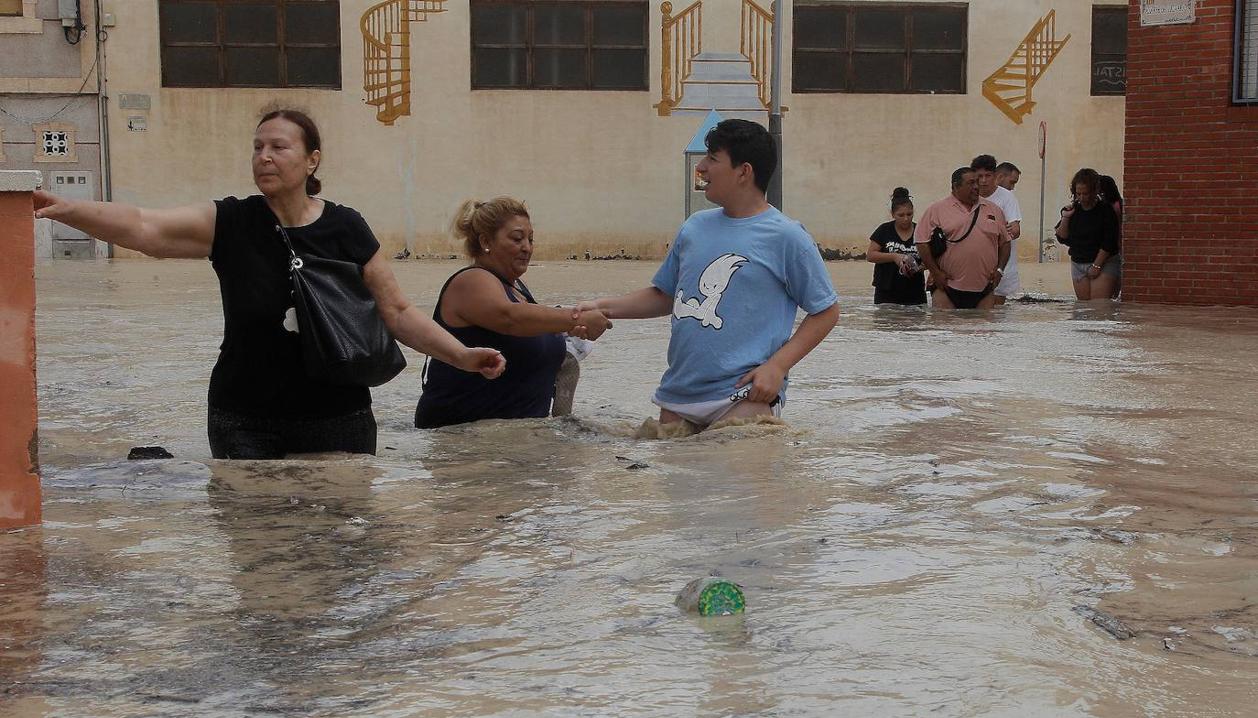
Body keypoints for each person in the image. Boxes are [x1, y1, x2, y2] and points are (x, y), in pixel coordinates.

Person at [31, 109, 505, 459]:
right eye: (257, 147)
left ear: (312, 160)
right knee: (257, 556)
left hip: (337, 416)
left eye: (278, 147)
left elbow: (397, 312)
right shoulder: (231, 221)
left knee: (345, 553)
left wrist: (460, 355)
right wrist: (67, 209)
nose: (264, 157)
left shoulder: (346, 228)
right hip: (245, 418)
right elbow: (143, 227)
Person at [575, 118, 839, 430]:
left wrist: (777, 366)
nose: (701, 167)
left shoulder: (787, 237)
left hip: (746, 393)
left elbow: (826, 311)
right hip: (679, 394)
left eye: (713, 159)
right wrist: (602, 307)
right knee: (680, 475)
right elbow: (665, 296)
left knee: (731, 473)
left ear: (744, 172)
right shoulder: (694, 227)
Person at [414, 197, 612, 428]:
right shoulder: (471, 281)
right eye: (517, 238)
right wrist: (574, 318)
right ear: (486, 241)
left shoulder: (518, 289)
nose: (527, 247)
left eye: (530, 239)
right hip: (462, 439)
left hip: (519, 440)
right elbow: (510, 318)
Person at [915, 167, 1011, 310]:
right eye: (971, 183)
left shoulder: (993, 209)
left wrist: (999, 271)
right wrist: (935, 272)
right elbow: (921, 242)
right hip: (946, 287)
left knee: (986, 331)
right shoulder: (936, 210)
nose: (976, 187)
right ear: (955, 186)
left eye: (977, 183)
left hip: (984, 288)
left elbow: (1005, 243)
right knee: (945, 331)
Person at [1055, 168, 1121, 300]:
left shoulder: (1106, 210)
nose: (1081, 198)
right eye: (1078, 194)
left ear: (1095, 191)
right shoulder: (1072, 210)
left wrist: (1097, 265)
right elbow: (1062, 237)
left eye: (1085, 194)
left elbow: (1109, 241)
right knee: (1083, 308)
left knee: (1099, 306)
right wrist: (1066, 217)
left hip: (1104, 262)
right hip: (1078, 262)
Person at [972, 154, 1023, 304]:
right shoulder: (968, 196)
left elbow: (1015, 230)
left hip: (1002, 263)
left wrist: (1000, 231)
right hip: (974, 263)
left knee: (997, 310)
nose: (983, 180)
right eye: (979, 176)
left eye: (987, 176)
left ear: (995, 175)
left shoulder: (1007, 198)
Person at [867, 187, 927, 305]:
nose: (906, 219)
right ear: (893, 214)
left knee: (917, 322)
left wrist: (920, 267)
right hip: (886, 291)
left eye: (909, 214)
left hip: (915, 292)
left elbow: (931, 258)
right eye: (901, 215)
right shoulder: (884, 230)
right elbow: (870, 255)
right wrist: (895, 257)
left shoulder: (920, 231)